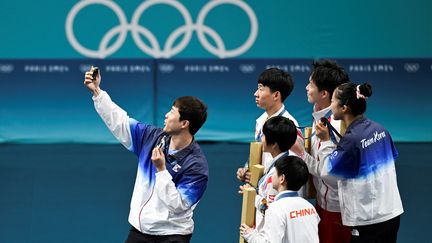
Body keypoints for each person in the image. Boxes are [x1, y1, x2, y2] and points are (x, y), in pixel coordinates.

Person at [83, 67, 209, 243]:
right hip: (140, 231)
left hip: (172, 235)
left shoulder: (196, 166)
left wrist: (161, 170)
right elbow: (120, 122)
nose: (166, 115)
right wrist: (97, 92)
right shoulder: (152, 137)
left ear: (184, 123)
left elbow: (179, 206)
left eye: (172, 112)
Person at [293, 82, 404, 243]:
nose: (330, 105)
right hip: (392, 213)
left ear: (344, 108)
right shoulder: (381, 130)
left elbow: (326, 171)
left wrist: (324, 142)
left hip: (368, 221)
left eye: (333, 101)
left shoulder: (351, 140)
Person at [305, 60, 351, 243]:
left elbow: (331, 174)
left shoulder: (339, 125)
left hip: (338, 210)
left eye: (310, 84)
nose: (306, 88)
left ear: (324, 94)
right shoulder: (319, 114)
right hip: (322, 205)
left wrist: (301, 154)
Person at [236, 67, 302, 183]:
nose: (255, 94)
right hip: (263, 190)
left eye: (261, 89)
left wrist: (262, 182)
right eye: (257, 88)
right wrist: (247, 169)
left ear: (276, 95)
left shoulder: (289, 126)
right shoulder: (261, 121)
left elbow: (293, 169)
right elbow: (260, 155)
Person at [240, 155, 320, 243]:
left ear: (282, 178)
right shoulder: (310, 207)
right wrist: (255, 197)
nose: (271, 176)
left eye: (274, 172)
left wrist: (250, 235)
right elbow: (271, 209)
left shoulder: (276, 209)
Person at [250, 116, 298, 230]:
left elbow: (269, 210)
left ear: (274, 144)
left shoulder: (276, 175)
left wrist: (251, 195)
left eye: (264, 135)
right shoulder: (285, 162)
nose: (261, 138)